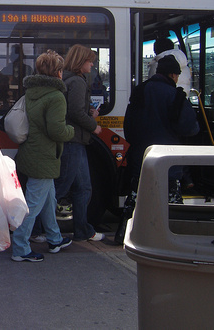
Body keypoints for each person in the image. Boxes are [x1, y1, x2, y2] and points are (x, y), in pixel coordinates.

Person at [116, 55, 200, 244]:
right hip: (169, 159)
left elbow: (128, 126)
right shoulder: (176, 96)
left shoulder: (140, 91)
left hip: (142, 156)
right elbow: (189, 128)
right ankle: (175, 241)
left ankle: (123, 234)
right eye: (177, 75)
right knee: (171, 202)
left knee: (136, 197)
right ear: (172, 74)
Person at [13, 51, 74, 262]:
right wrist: (71, 131)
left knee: (49, 200)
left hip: (30, 152)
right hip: (45, 156)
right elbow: (57, 131)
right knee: (32, 205)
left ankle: (55, 239)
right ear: (58, 72)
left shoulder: (32, 91)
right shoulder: (56, 96)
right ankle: (20, 247)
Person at [54, 44, 105, 242]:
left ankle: (83, 229)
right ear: (80, 61)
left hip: (72, 140)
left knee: (82, 186)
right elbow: (75, 112)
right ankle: (38, 229)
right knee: (63, 187)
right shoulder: (78, 82)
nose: (92, 64)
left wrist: (88, 113)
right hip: (74, 140)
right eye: (89, 61)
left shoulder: (66, 79)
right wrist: (93, 125)